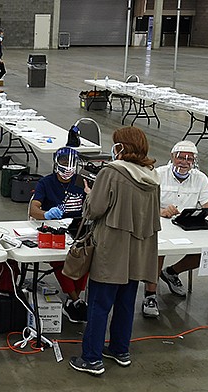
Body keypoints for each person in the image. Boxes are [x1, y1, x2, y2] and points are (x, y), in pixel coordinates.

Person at [69, 126, 161, 376]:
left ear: (121, 147)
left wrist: (89, 194)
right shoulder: (152, 176)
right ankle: (120, 350)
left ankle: (91, 358)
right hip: (138, 252)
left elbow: (94, 210)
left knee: (99, 305)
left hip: (112, 251)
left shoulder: (112, 173)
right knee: (125, 303)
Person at [141, 140, 208, 317]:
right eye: (180, 157)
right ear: (172, 157)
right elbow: (143, 204)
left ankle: (171, 272)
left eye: (189, 159)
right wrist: (162, 211)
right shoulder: (158, 174)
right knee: (158, 250)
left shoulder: (200, 178)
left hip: (186, 225)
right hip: (161, 224)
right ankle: (150, 295)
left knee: (205, 251)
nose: (184, 162)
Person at [29, 147, 90, 323]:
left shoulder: (81, 182)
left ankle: (73, 300)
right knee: (59, 257)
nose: (67, 171)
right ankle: (75, 300)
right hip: (53, 230)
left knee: (86, 255)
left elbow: (94, 206)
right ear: (56, 165)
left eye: (71, 167)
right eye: (63, 166)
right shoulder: (46, 183)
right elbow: (34, 209)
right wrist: (46, 214)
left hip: (76, 229)